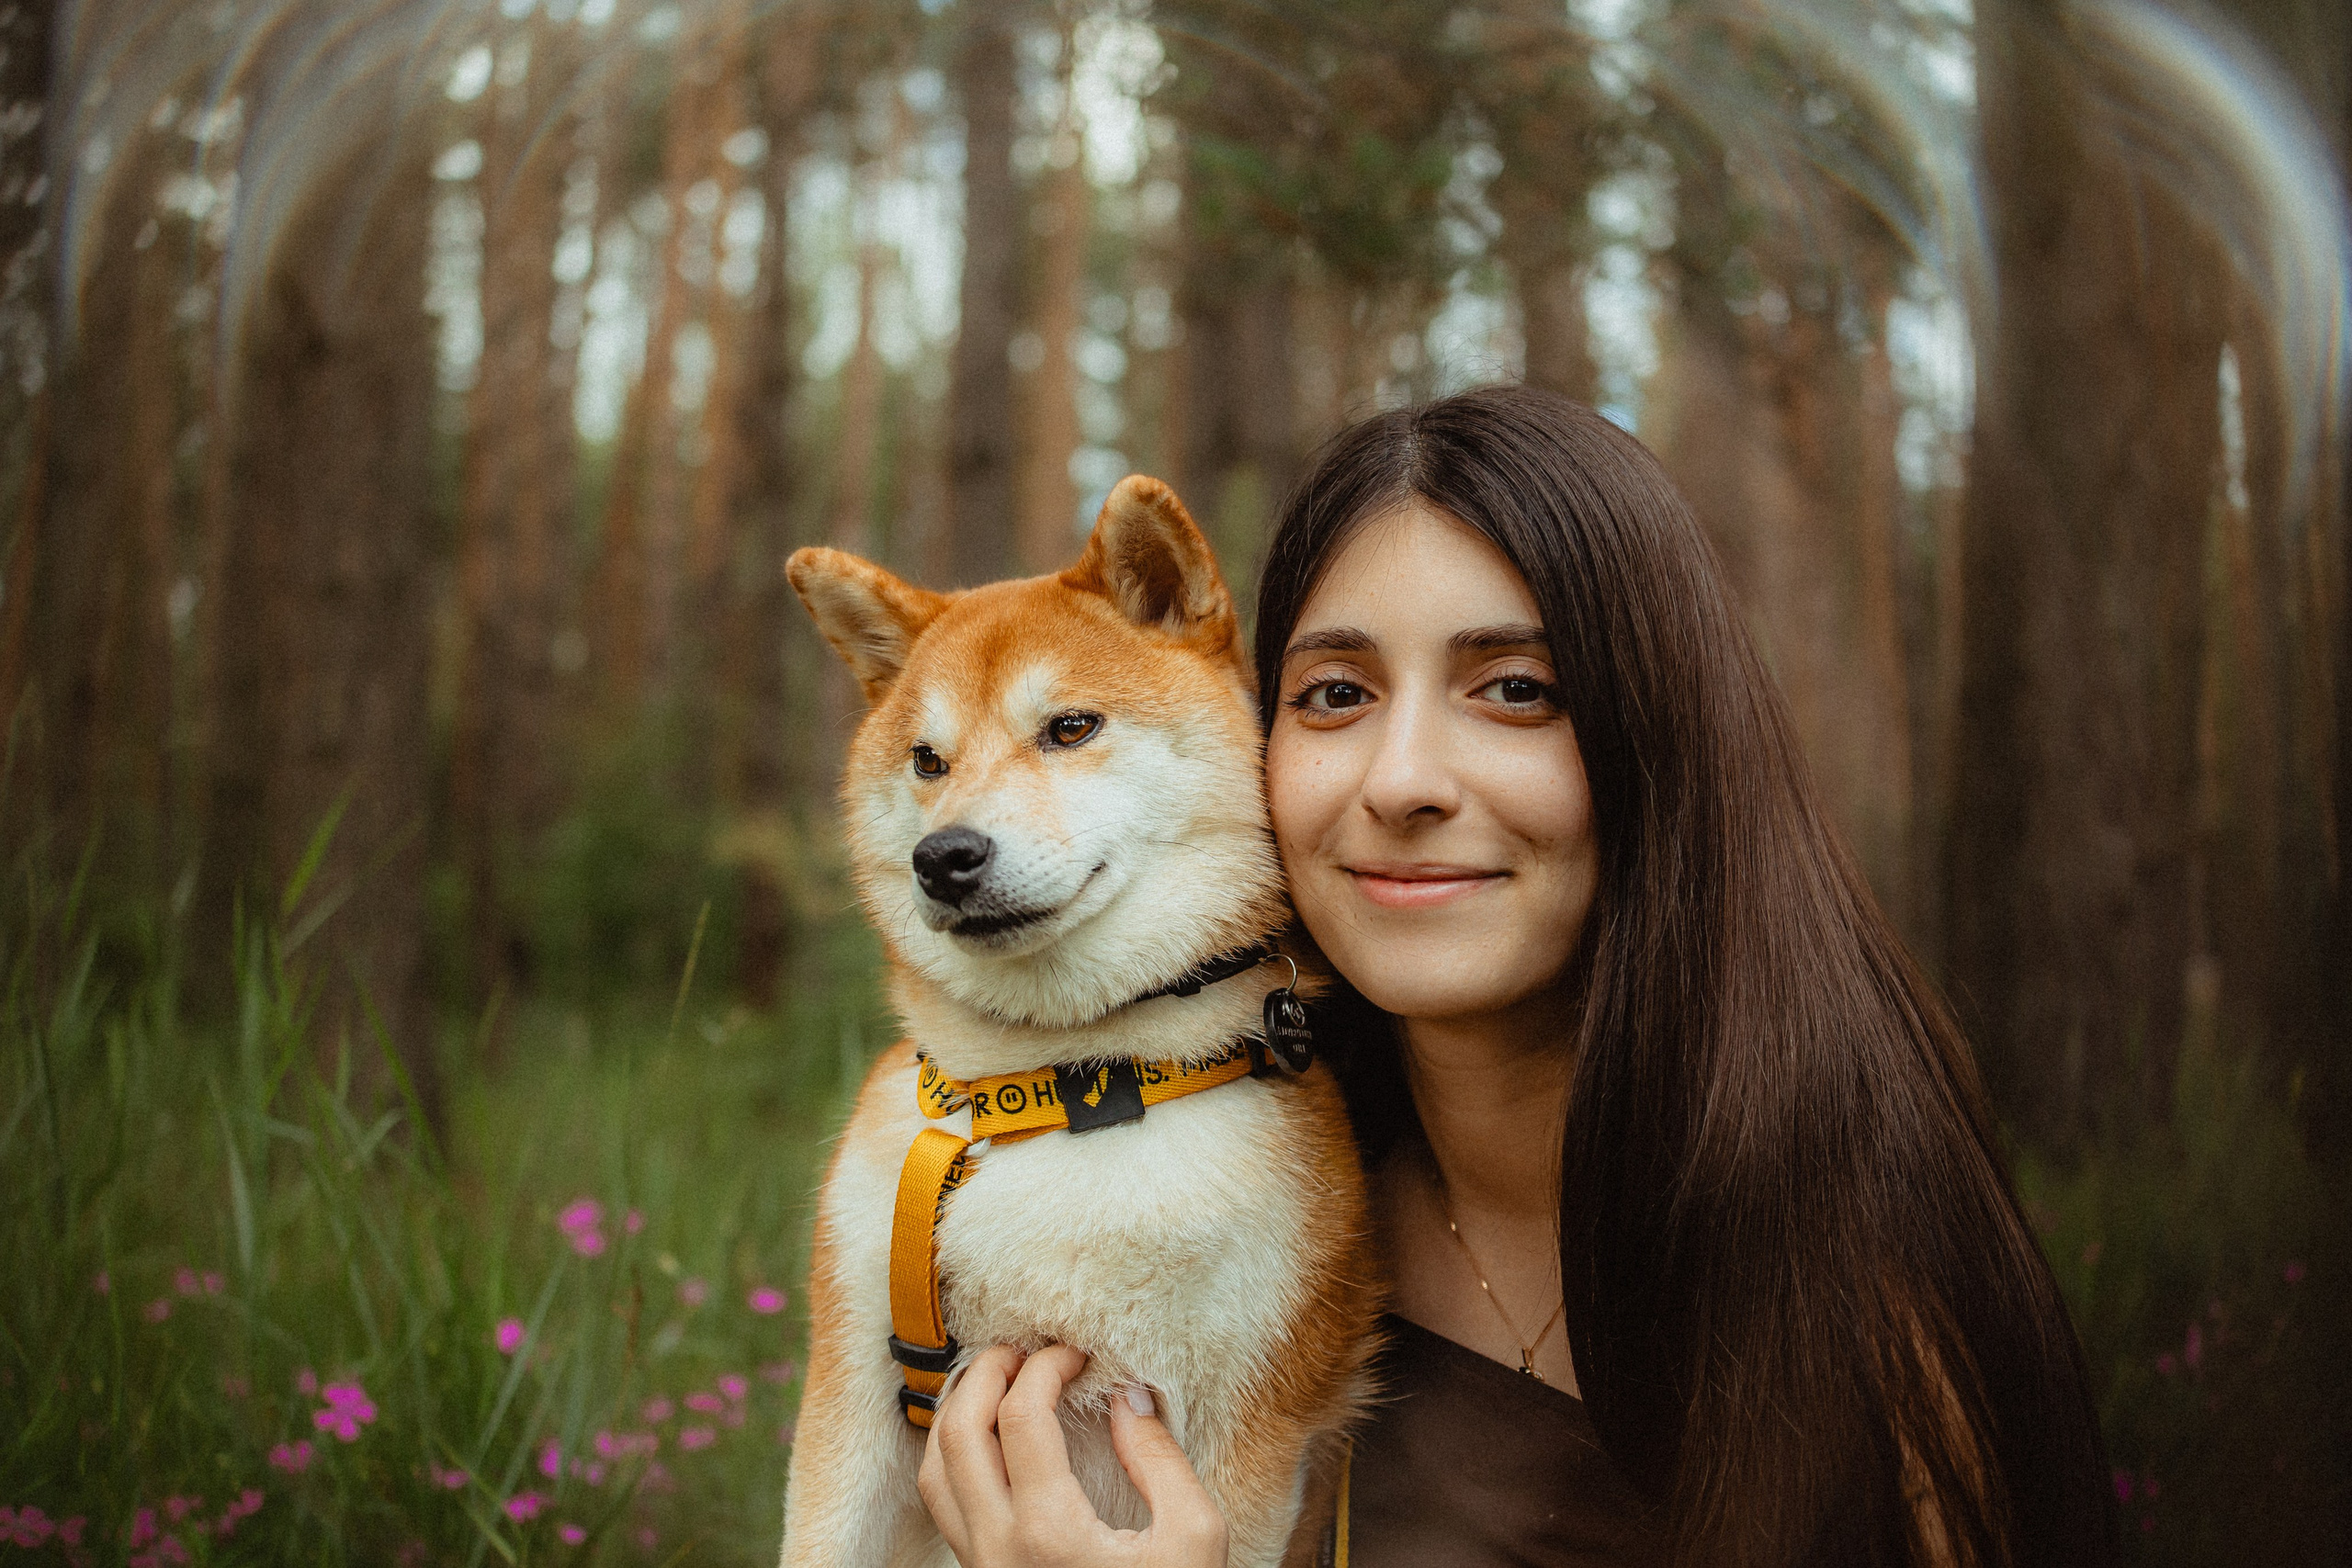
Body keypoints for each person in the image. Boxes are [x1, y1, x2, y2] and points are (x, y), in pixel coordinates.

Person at [916, 385, 2119, 1567]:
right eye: (1335, 694)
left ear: (1660, 735)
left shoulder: (1856, 1259)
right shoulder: (1204, 1231)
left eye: (1516, 691)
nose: (1401, 782)